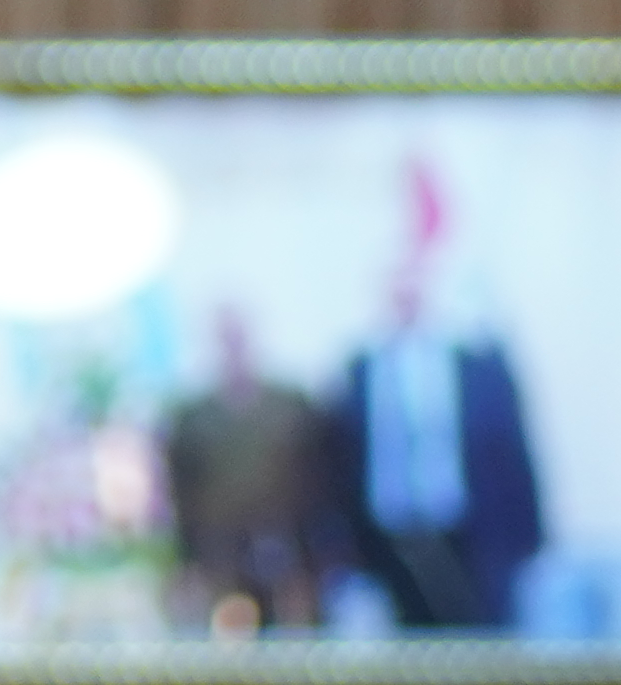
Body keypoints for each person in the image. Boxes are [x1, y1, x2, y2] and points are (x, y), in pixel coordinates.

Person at [305, 189, 548, 635]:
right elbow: (340, 462)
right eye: (397, 284)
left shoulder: (476, 365)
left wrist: (530, 541)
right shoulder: (359, 369)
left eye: (414, 282)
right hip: (389, 541)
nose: (406, 294)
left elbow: (512, 452)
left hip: (466, 537)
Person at [152, 308, 326, 635]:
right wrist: (186, 561)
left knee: (295, 638)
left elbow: (319, 477)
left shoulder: (291, 405)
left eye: (239, 335)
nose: (234, 345)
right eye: (225, 336)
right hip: (219, 553)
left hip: (286, 547)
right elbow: (180, 491)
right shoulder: (193, 417)